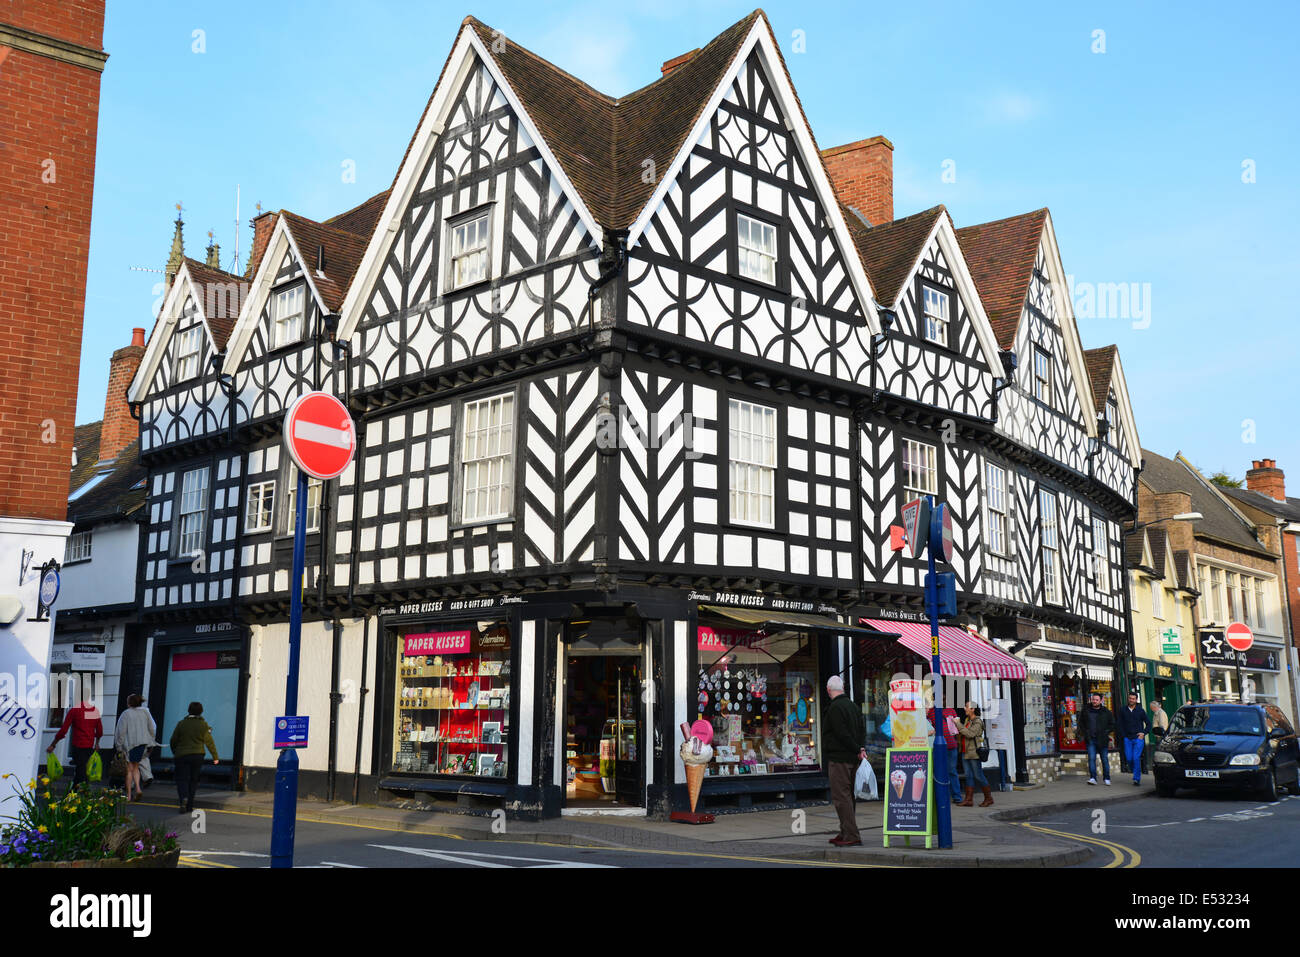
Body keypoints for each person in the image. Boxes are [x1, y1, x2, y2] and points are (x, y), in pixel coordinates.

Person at [823, 675, 866, 847]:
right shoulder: (853, 706)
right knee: (848, 797)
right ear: (843, 688)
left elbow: (841, 733)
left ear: (828, 690)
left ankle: (852, 835)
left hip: (839, 758)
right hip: (853, 758)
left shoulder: (835, 708)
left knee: (841, 797)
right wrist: (860, 748)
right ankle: (844, 831)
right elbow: (861, 730)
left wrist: (856, 748)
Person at [169, 701, 219, 813]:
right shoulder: (203, 725)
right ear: (201, 711)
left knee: (182, 779)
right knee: (193, 780)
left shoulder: (181, 724)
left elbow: (173, 740)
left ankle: (183, 799)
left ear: (188, 710)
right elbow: (209, 742)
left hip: (182, 755)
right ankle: (190, 805)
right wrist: (215, 757)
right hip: (198, 755)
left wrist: (175, 751)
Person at [47, 697, 103, 788]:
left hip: (78, 744)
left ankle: (78, 791)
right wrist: (97, 743)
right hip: (89, 745)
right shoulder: (94, 711)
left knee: (80, 769)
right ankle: (79, 791)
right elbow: (99, 731)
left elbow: (63, 730)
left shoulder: (74, 711)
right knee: (83, 769)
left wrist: (53, 744)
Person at [114, 693, 157, 802]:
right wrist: (151, 741)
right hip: (142, 744)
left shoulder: (126, 714)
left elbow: (121, 732)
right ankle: (138, 789)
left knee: (129, 770)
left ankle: (128, 796)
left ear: (129, 703)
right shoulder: (145, 712)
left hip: (130, 745)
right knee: (136, 767)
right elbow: (152, 728)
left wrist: (119, 746)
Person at [957, 701, 993, 807]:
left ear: (972, 709)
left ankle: (989, 798)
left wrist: (957, 724)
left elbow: (970, 734)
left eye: (966, 706)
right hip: (965, 751)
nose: (964, 708)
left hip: (973, 753)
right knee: (968, 776)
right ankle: (968, 800)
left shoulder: (978, 722)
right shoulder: (968, 720)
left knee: (978, 775)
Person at [927, 704, 963, 804]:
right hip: (937, 747)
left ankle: (957, 796)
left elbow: (958, 726)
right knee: (938, 771)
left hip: (952, 746)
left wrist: (958, 742)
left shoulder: (951, 710)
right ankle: (941, 796)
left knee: (952, 771)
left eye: (943, 698)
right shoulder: (930, 712)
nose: (942, 700)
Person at [1079, 691, 1115, 785]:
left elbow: (1113, 724)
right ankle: (1093, 778)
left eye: (1096, 700)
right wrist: (1085, 733)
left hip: (1102, 739)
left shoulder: (1106, 712)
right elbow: (1081, 723)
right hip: (1091, 739)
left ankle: (1107, 778)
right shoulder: (1086, 710)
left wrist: (1106, 731)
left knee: (1104, 759)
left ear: (1101, 701)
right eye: (1093, 699)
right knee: (1091, 758)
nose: (1094, 701)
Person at [1118, 691, 1150, 786]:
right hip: (1127, 738)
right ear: (1128, 699)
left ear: (1136, 700)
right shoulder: (1123, 710)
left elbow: (1148, 724)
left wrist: (1143, 733)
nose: (1131, 700)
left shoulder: (1140, 710)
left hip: (1138, 738)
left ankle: (1136, 779)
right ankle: (1134, 771)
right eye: (1130, 698)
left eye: (1133, 699)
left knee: (1136, 758)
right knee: (1129, 758)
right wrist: (1123, 735)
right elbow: (1119, 724)